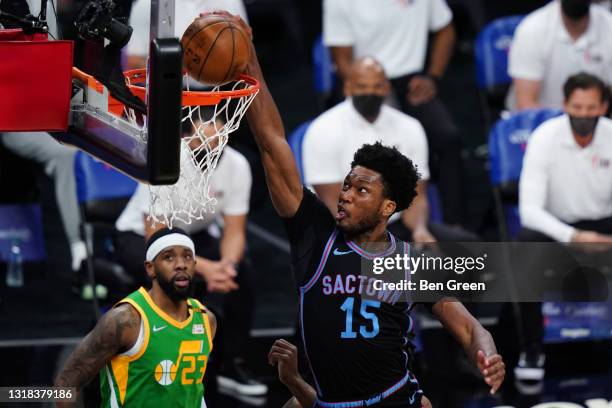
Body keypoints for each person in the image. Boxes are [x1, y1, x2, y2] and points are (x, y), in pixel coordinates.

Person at [229, 13, 505, 407]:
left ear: (388, 207)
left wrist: (487, 354)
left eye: (361, 190)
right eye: (346, 185)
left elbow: (468, 327)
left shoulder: (409, 263)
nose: (345, 195)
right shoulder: (316, 238)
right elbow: (273, 144)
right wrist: (248, 63)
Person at [114, 118, 267, 397]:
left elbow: (234, 230)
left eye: (216, 139)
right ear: (187, 138)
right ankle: (159, 364)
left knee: (243, 274)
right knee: (176, 275)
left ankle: (229, 364)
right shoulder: (168, 161)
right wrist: (206, 270)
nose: (209, 146)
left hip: (192, 236)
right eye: (201, 140)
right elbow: (156, 236)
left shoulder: (238, 165)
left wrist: (227, 268)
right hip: (142, 237)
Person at [303, 57, 479, 244]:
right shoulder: (322, 130)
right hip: (341, 231)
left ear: (387, 88)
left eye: (377, 86)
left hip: (395, 225)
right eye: (362, 86)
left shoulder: (409, 127)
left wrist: (419, 230)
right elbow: (333, 202)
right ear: (348, 88)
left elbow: (416, 197)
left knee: (472, 250)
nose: (370, 93)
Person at [323, 0, 464, 226]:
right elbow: (341, 60)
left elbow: (446, 29)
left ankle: (454, 226)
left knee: (448, 138)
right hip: (366, 83)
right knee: (378, 149)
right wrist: (375, 88)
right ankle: (363, 229)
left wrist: (433, 76)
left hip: (411, 81)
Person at [515, 72, 612, 381]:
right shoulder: (544, 137)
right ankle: (532, 348)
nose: (584, 115)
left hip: (604, 227)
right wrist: (574, 237)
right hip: (559, 231)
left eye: (590, 108)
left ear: (603, 107)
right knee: (524, 245)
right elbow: (529, 210)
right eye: (578, 107)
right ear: (565, 105)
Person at [55, 227, 216, 407]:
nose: (180, 264)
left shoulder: (206, 320)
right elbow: (66, 382)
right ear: (150, 268)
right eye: (169, 257)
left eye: (187, 256)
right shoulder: (125, 320)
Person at [508, 0, 612, 110]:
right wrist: (562, 126)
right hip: (541, 121)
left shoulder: (609, 25)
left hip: (596, 120)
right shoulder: (531, 29)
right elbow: (525, 104)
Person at [126, 0, 248, 70]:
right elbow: (133, 61)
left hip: (222, 93)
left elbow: (246, 44)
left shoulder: (230, 2)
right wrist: (184, 67)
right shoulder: (146, 5)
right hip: (172, 92)